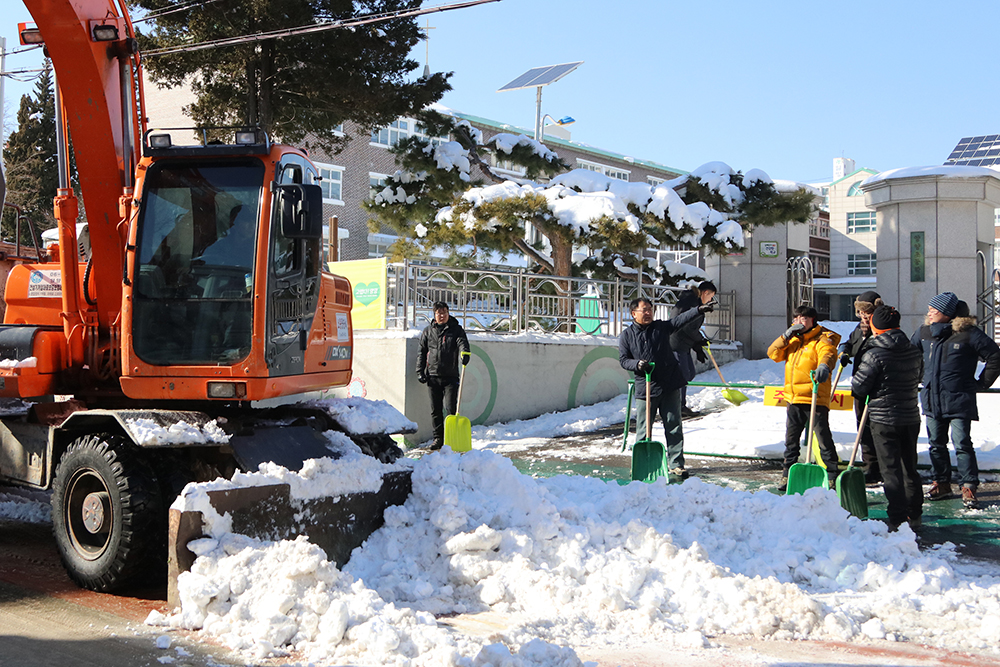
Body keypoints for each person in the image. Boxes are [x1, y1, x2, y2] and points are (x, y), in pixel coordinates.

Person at [911, 293, 1000, 509]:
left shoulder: (968, 333)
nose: (929, 312)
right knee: (935, 445)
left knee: (962, 444)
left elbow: (995, 356)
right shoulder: (924, 332)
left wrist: (981, 383)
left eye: (935, 310)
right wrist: (915, 379)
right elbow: (909, 355)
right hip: (932, 399)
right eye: (930, 309)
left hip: (960, 399)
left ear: (947, 314)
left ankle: (968, 485)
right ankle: (941, 483)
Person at [619, 296, 713, 479]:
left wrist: (699, 310)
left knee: (674, 425)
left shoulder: (661, 328)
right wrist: (637, 364)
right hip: (645, 388)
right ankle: (642, 462)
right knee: (643, 428)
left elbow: (679, 320)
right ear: (633, 313)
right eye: (643, 310)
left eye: (649, 309)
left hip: (670, 384)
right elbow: (623, 360)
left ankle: (677, 464)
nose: (647, 313)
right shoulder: (627, 335)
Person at [851, 305, 923, 531]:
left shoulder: (874, 354)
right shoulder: (913, 351)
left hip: (883, 419)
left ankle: (897, 518)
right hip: (910, 416)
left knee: (891, 470)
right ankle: (915, 513)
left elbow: (859, 388)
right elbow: (919, 376)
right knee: (909, 466)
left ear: (876, 327)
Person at [767, 305, 842, 491]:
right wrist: (785, 336)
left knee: (823, 437)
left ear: (813, 320)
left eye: (804, 318)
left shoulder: (822, 339)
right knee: (791, 440)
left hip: (815, 397)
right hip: (794, 398)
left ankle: (832, 474)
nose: (800, 321)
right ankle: (788, 474)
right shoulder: (793, 341)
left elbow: (829, 353)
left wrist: (825, 366)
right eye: (797, 318)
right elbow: (773, 354)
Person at [838, 291, 884, 485]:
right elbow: (849, 343)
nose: (862, 316)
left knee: (878, 428)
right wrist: (844, 351)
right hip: (860, 384)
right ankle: (870, 465)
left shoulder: (882, 326)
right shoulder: (860, 328)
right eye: (859, 312)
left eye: (865, 312)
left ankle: (881, 467)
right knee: (862, 426)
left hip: (878, 386)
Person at [416, 302, 471, 450]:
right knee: (436, 409)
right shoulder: (428, 331)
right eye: (439, 313)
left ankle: (451, 438)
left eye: (445, 313)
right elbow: (422, 352)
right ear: (434, 315)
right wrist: (420, 371)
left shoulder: (456, 330)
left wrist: (464, 353)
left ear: (448, 313)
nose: (442, 315)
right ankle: (438, 439)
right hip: (433, 376)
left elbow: (462, 343)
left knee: (451, 408)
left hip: (450, 377)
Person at [670, 280, 717, 418]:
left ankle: (677, 404)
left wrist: (697, 346)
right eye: (711, 296)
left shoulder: (694, 302)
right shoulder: (691, 302)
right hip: (676, 343)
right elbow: (687, 326)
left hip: (683, 344)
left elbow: (691, 328)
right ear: (705, 292)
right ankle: (677, 406)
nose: (710, 300)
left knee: (689, 373)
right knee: (682, 375)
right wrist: (699, 341)